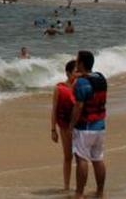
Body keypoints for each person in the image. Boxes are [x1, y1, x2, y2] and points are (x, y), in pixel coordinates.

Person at [70, 51, 107, 199]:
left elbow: (78, 106)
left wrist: (71, 124)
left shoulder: (81, 83)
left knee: (81, 159)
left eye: (77, 61)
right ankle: (100, 191)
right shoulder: (101, 78)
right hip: (100, 125)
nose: (76, 63)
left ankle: (79, 194)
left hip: (85, 126)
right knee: (98, 159)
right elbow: (90, 78)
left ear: (82, 64)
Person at [52, 60, 77, 191]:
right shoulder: (59, 88)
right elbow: (54, 110)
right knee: (68, 156)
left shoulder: (81, 86)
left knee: (80, 157)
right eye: (75, 72)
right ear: (68, 73)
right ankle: (66, 185)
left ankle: (79, 186)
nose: (77, 74)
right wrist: (53, 129)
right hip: (64, 127)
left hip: (79, 127)